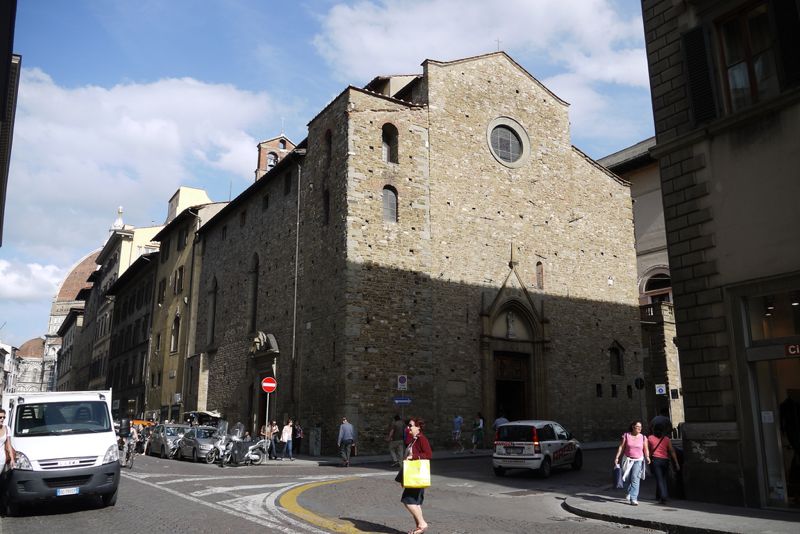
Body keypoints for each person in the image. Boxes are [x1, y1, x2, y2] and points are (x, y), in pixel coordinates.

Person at [400, 417, 432, 534]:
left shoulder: (421, 439)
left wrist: (412, 457)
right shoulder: (414, 439)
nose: (408, 427)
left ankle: (422, 523)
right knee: (415, 502)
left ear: (418, 427)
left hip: (417, 475)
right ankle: (419, 527)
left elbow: (428, 454)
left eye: (410, 425)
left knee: (408, 500)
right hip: (413, 475)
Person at [613, 421, 651, 505]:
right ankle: (629, 492)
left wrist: (647, 457)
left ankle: (633, 498)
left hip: (638, 460)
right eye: (638, 426)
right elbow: (621, 447)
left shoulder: (643, 437)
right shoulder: (626, 435)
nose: (640, 428)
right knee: (626, 478)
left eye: (641, 427)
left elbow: (646, 448)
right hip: (627, 459)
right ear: (633, 427)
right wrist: (617, 457)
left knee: (635, 478)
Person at [647, 425, 680, 504]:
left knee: (659, 479)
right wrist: (676, 463)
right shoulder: (666, 439)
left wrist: (647, 458)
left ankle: (663, 496)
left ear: (654, 431)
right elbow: (672, 451)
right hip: (665, 460)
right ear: (662, 431)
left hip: (655, 460)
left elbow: (648, 450)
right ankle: (659, 495)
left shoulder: (650, 438)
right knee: (663, 478)